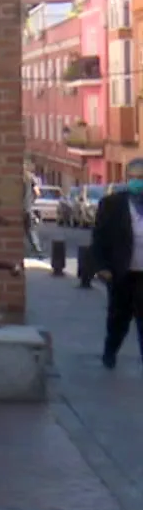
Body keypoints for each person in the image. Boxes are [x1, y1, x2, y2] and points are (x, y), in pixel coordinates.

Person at [87, 158, 143, 370]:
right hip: (121, 273)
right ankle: (110, 352)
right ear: (127, 179)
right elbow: (99, 238)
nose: (137, 182)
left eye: (142, 178)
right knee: (119, 318)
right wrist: (101, 267)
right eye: (134, 177)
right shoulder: (112, 204)